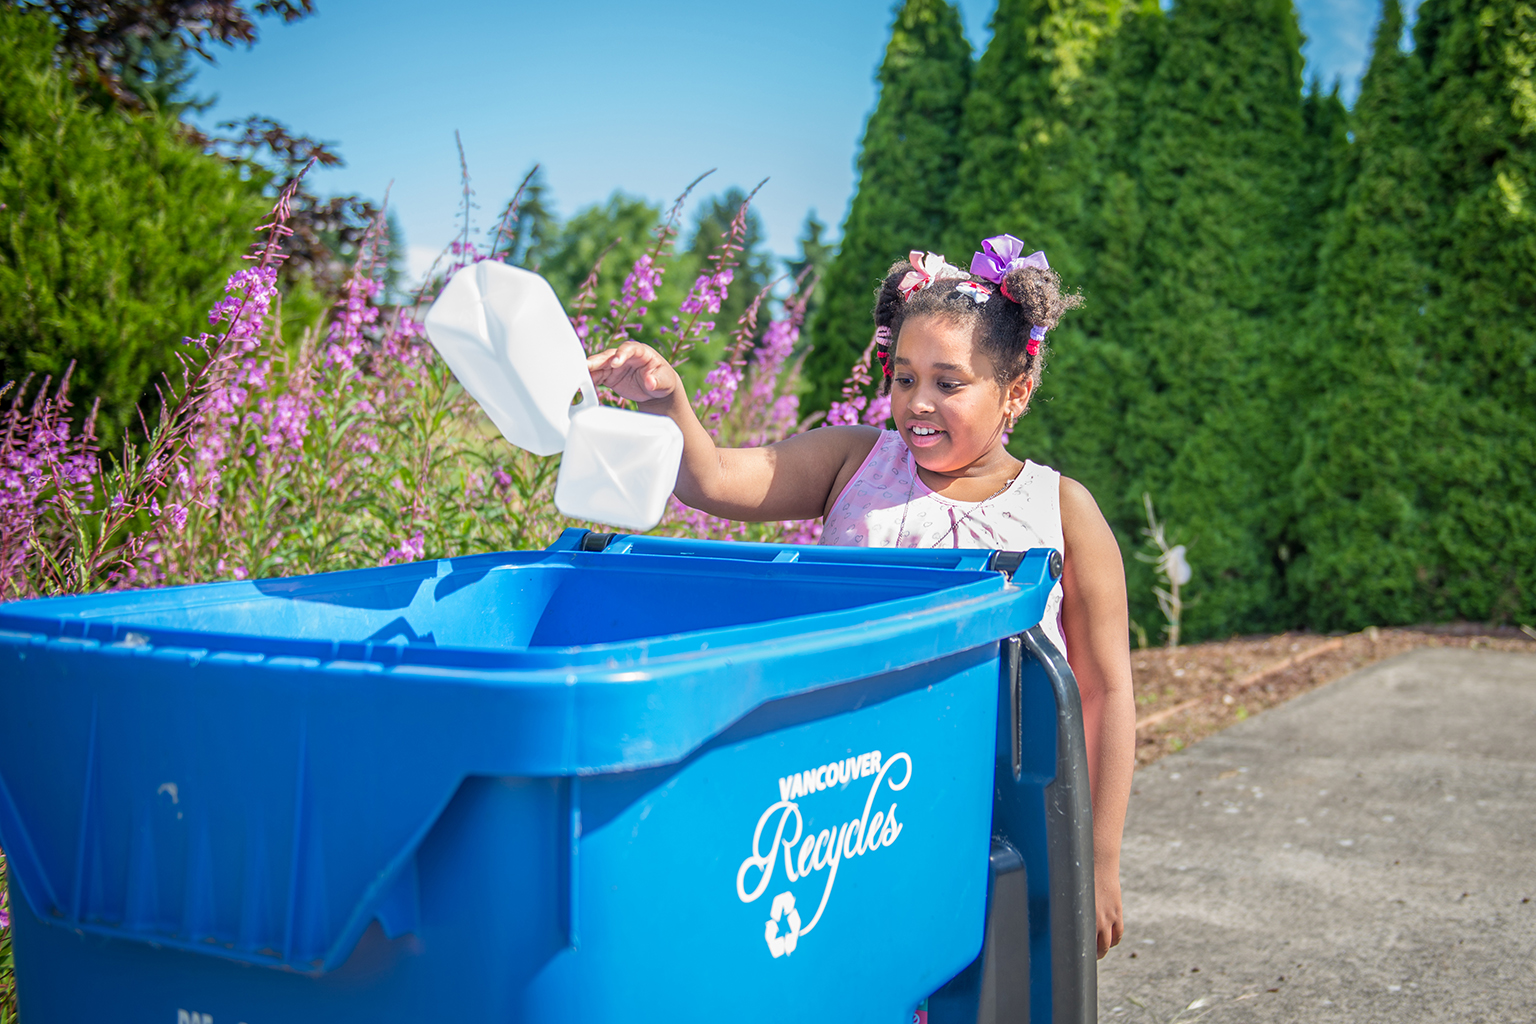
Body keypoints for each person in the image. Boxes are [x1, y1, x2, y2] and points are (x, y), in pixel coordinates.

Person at [588, 237, 1136, 958]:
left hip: (990, 805)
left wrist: (1095, 861)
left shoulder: (1063, 509)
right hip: (840, 797)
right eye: (903, 377)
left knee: (973, 969)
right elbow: (717, 478)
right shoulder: (854, 461)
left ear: (1017, 391)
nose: (917, 403)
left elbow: (1102, 692)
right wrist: (669, 401)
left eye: (949, 383)